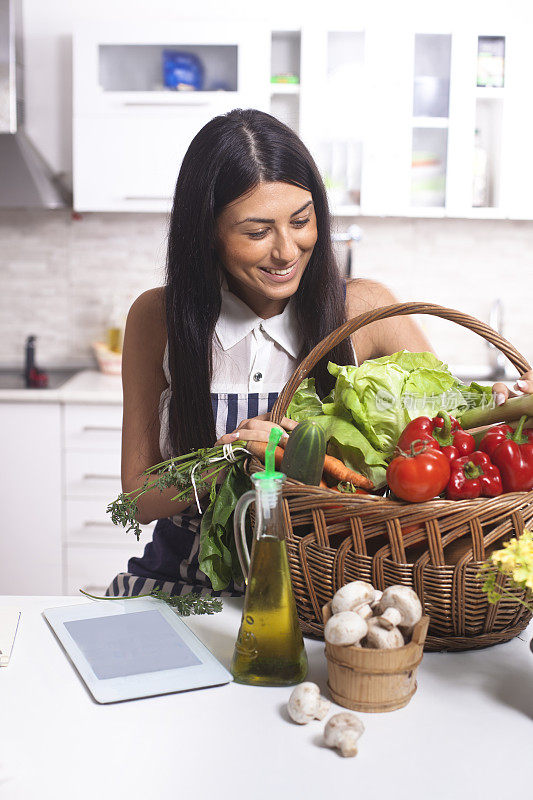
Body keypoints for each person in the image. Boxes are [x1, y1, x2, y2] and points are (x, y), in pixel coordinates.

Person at [106, 108, 533, 598]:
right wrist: (233, 457)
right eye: (257, 231)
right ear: (207, 233)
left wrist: (508, 409)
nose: (287, 251)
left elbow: (451, 442)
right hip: (183, 587)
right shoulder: (157, 317)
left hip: (330, 593)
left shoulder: (366, 309)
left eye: (302, 221)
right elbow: (137, 498)